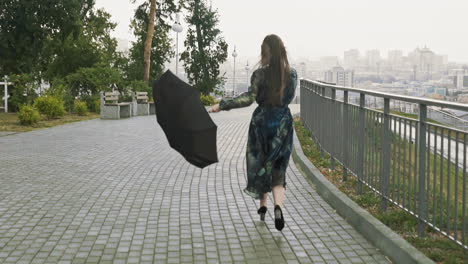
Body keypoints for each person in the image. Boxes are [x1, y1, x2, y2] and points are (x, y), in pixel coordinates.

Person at [209, 34, 297, 231]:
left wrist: (222, 105)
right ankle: (277, 206)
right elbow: (289, 98)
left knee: (260, 164)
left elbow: (248, 99)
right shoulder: (291, 75)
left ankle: (263, 207)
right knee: (278, 168)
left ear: (265, 52)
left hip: (261, 123)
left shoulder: (259, 75)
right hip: (282, 124)